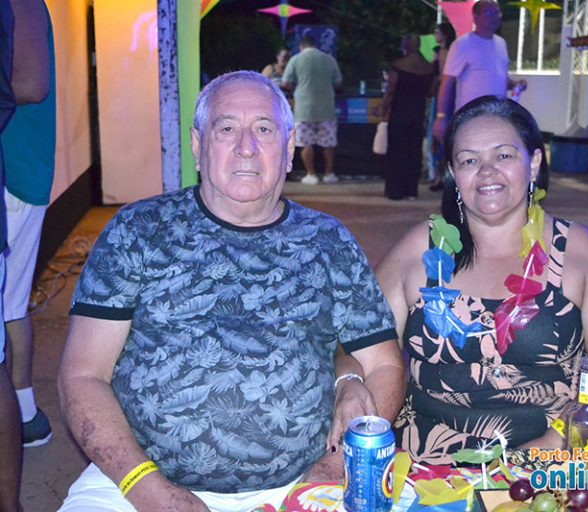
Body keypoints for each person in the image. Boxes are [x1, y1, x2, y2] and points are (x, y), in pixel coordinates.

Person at [57, 70, 405, 511]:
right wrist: (151, 491)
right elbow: (83, 375)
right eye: (226, 129)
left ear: (289, 149)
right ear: (198, 145)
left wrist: (332, 469)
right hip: (136, 481)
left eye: (264, 129)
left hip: (303, 481)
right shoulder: (137, 231)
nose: (246, 146)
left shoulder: (328, 241)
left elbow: (385, 365)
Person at [375, 96, 588, 464]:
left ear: (533, 163)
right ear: (453, 173)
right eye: (469, 161)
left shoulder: (577, 250)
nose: (487, 172)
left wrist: (551, 445)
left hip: (556, 459)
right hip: (429, 461)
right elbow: (364, 347)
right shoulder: (419, 249)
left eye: (503, 155)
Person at [2, 0, 55, 449]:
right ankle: (24, 416)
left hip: (13, 173)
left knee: (9, 306)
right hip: (21, 172)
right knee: (10, 306)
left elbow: (32, 85)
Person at [432, 0, 527, 144]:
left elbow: (497, 77)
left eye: (497, 13)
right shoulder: (463, 44)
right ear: (475, 17)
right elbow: (447, 83)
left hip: (497, 117)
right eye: (489, 13)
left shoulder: (501, 44)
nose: (495, 17)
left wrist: (515, 84)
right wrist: (441, 116)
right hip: (470, 118)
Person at [281, 35, 342, 185]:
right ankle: (329, 174)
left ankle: (311, 175)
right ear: (315, 45)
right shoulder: (329, 59)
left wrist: (297, 87)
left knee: (306, 144)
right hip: (327, 108)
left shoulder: (295, 59)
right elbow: (338, 83)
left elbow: (286, 83)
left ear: (301, 46)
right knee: (328, 144)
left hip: (303, 109)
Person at [379, 34, 434, 201]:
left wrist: (383, 109)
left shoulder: (399, 66)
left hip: (400, 112)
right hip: (418, 113)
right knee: (414, 151)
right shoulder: (427, 67)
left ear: (407, 45)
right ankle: (411, 190)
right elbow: (431, 91)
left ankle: (395, 190)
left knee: (397, 151)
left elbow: (391, 91)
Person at [428, 22, 456, 192]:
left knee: (441, 135)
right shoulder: (439, 51)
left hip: (444, 94)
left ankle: (441, 175)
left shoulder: (447, 51)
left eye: (437, 31)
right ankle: (440, 174)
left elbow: (442, 76)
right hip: (442, 93)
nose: (435, 34)